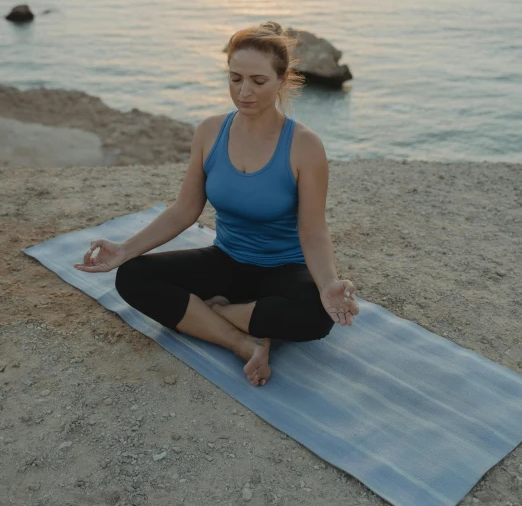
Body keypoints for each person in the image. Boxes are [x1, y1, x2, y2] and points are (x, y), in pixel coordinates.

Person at [74, 21, 359, 386]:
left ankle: (215, 311)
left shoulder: (304, 145)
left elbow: (313, 231)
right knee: (132, 276)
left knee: (317, 316)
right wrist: (124, 250)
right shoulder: (210, 131)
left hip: (283, 271)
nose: (244, 92)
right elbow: (185, 208)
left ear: (282, 80)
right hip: (226, 261)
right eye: (235, 78)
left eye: (258, 81)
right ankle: (242, 342)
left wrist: (327, 283)